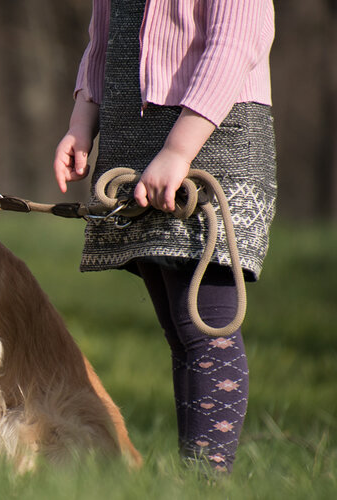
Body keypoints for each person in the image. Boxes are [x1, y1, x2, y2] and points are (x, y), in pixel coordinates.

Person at [53, 0, 276, 474]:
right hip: (136, 134)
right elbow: (103, 45)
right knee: (180, 329)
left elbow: (234, 45)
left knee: (205, 327)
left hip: (213, 134)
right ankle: (192, 476)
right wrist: (80, 125)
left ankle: (206, 482)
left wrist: (178, 151)